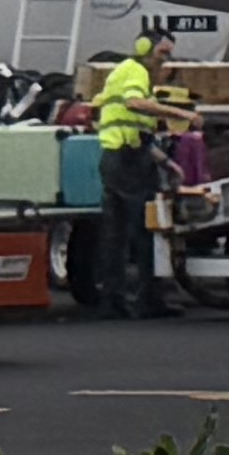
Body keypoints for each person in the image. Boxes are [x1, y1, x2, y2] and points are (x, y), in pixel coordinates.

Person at [87, 38, 175, 319]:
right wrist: (180, 113)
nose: (166, 60)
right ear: (144, 48)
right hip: (129, 162)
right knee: (147, 229)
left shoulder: (123, 72)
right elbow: (135, 104)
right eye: (163, 52)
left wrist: (166, 162)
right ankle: (149, 299)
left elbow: (134, 129)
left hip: (116, 158)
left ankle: (112, 301)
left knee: (115, 234)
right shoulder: (136, 72)